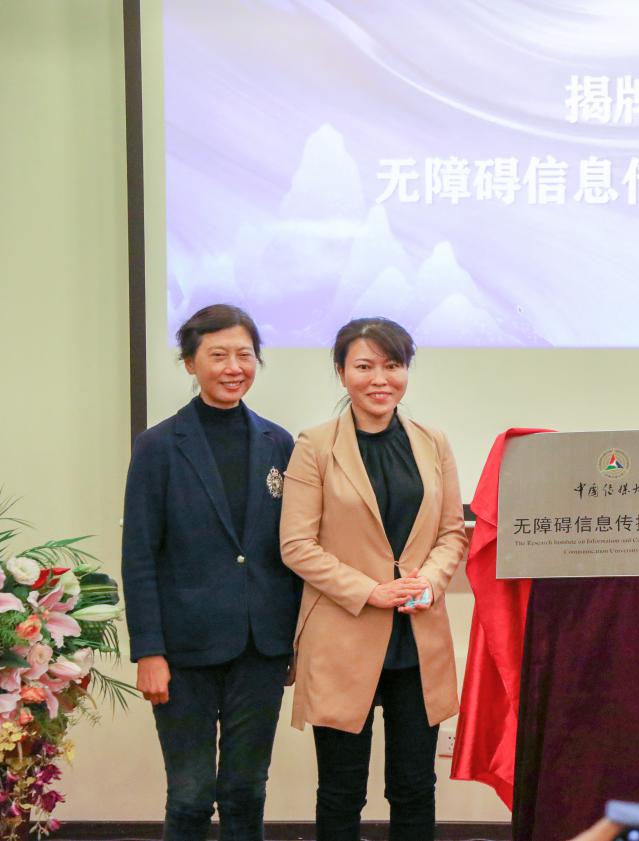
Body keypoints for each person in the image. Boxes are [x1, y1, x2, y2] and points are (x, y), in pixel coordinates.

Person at [280, 317, 467, 841]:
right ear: (342, 373)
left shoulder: (433, 442)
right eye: (364, 366)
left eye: (393, 365)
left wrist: (428, 582)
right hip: (344, 635)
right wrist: (370, 591)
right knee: (342, 791)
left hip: (418, 638)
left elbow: (452, 532)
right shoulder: (315, 445)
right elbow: (296, 545)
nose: (380, 379)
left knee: (415, 787)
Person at [122, 304, 299, 841]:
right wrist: (148, 651)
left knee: (246, 791)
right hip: (183, 651)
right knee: (191, 795)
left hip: (260, 648)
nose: (233, 367)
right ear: (190, 363)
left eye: (244, 355)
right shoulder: (157, 446)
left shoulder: (279, 443)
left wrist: (292, 642)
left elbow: (291, 549)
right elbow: (139, 556)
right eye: (218, 355)